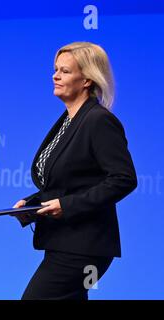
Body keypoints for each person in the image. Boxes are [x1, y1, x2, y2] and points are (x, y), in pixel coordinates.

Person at [12, 42, 137, 300]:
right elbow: (72, 181)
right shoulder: (69, 120)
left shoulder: (98, 120)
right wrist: (33, 204)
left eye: (65, 71)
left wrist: (67, 206)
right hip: (64, 241)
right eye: (55, 69)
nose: (55, 76)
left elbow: (123, 179)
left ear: (87, 80)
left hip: (84, 246)